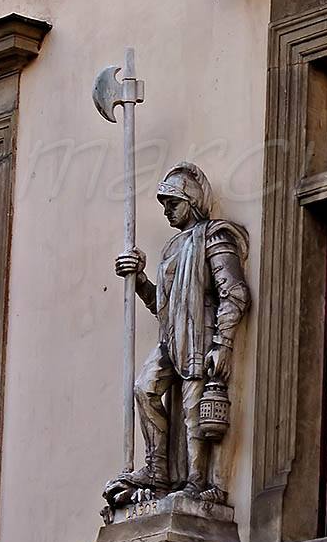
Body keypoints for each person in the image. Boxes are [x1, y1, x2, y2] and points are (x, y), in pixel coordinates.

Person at [106, 162, 250, 505]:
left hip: (201, 334)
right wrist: (139, 279)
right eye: (165, 204)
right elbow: (164, 305)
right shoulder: (172, 247)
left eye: (173, 203)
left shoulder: (214, 236)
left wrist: (223, 343)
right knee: (145, 388)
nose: (167, 211)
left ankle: (197, 482)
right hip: (172, 338)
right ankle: (157, 468)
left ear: (192, 200)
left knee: (192, 410)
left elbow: (234, 293)